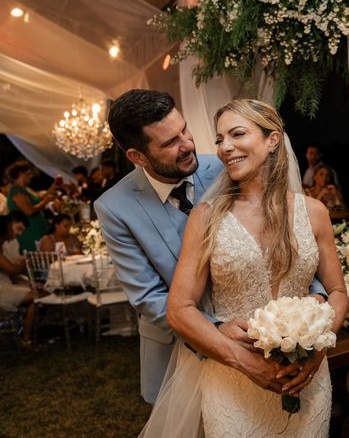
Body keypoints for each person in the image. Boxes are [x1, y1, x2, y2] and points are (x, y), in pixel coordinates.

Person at [125, 99, 347, 438]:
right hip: (232, 382)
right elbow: (180, 309)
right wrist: (244, 363)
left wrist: (318, 349)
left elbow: (337, 291)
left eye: (237, 134)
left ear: (272, 139)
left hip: (306, 378)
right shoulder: (207, 217)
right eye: (220, 138)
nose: (224, 147)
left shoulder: (315, 212)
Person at [95, 89, 328, 404]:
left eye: (185, 130)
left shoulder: (226, 165)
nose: (188, 144)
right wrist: (215, 328)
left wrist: (312, 295)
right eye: (169, 143)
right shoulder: (115, 208)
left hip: (263, 339)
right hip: (177, 350)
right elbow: (149, 296)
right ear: (137, 156)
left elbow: (288, 235)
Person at [0, 212, 35, 346]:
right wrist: (25, 262)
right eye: (12, 229)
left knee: (36, 294)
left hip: (7, 285)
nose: (15, 233)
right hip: (2, 290)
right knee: (36, 297)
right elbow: (12, 270)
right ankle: (26, 339)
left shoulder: (6, 246)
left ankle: (25, 336)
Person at [6, 160, 56, 252]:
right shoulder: (16, 192)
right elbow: (29, 211)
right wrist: (45, 202)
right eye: (28, 173)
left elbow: (39, 200)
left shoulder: (25, 189)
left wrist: (54, 186)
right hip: (30, 232)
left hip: (38, 230)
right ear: (21, 174)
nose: (31, 176)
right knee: (37, 259)